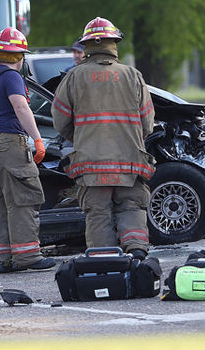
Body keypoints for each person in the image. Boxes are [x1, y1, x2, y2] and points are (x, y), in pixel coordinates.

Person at [51, 17, 155, 259]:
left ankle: (103, 261)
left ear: (87, 46)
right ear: (113, 43)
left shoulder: (74, 77)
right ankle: (137, 251)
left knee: (98, 213)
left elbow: (60, 121)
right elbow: (147, 121)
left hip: (91, 162)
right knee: (131, 206)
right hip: (130, 161)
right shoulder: (132, 75)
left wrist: (82, 137)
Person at [0, 27, 55, 273]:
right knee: (22, 200)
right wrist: (38, 139)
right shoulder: (12, 77)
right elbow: (21, 107)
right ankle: (28, 256)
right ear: (18, 56)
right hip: (9, 143)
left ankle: (2, 259)